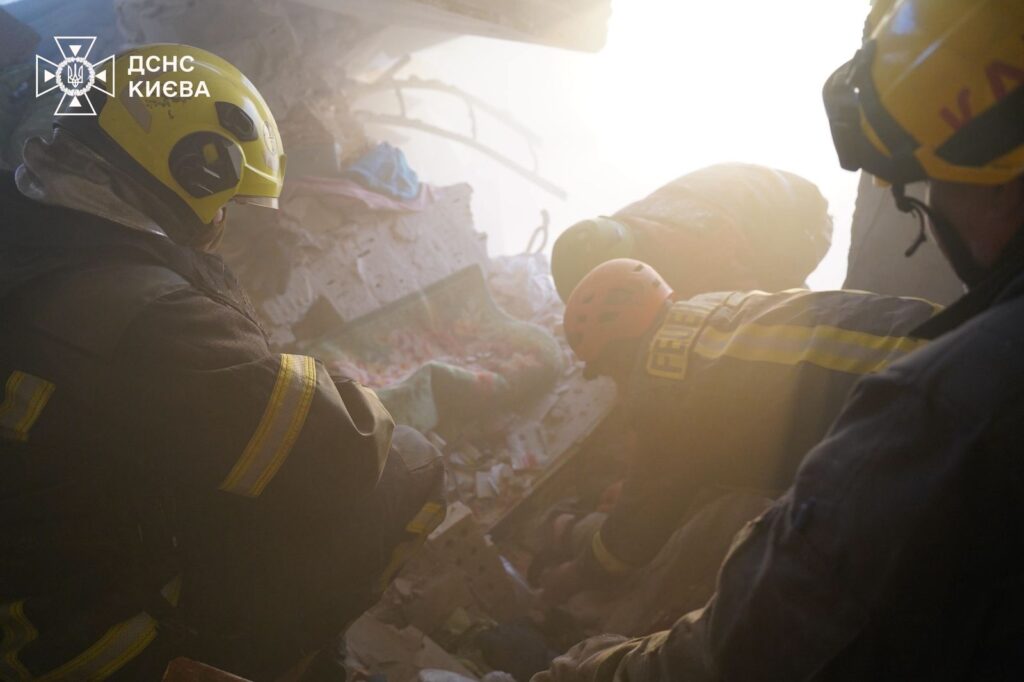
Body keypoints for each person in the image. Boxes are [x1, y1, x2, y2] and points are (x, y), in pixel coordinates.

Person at [535, 0, 1024, 678]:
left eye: (931, 188)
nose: (932, 210)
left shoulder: (939, 408)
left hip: (857, 320)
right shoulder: (719, 307)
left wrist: (579, 606)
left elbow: (742, 630)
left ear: (1000, 185)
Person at [0, 44, 444, 680]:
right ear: (198, 170)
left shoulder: (33, 237)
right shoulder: (147, 315)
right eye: (226, 201)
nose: (221, 223)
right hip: (73, 647)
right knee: (411, 465)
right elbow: (340, 449)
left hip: (29, 559)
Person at [539, 258, 938, 603]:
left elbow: (632, 539)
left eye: (608, 371)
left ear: (614, 350)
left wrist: (574, 574)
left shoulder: (658, 388)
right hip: (941, 341)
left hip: (916, 411)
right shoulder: (711, 309)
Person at [550, 163, 833, 302]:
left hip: (804, 215)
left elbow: (754, 307)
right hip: (753, 193)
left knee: (773, 299)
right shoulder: (625, 225)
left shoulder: (699, 251)